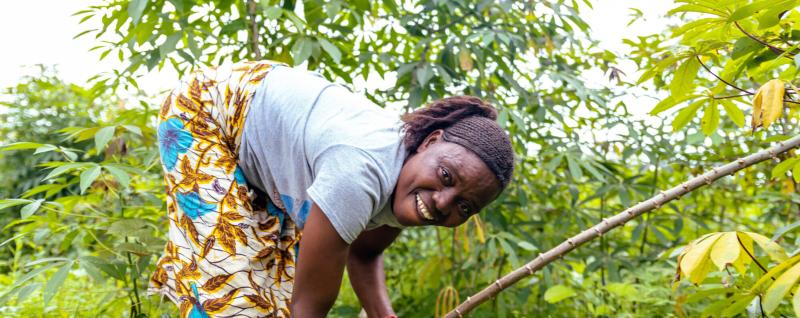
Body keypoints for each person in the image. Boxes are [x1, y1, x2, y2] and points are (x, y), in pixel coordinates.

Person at [148, 60, 514, 317]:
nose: (442, 203)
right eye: (447, 177)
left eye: (465, 208)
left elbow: (365, 255)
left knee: (273, 296)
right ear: (429, 142)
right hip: (209, 112)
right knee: (230, 297)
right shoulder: (360, 172)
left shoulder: (410, 184)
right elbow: (309, 309)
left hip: (265, 150)